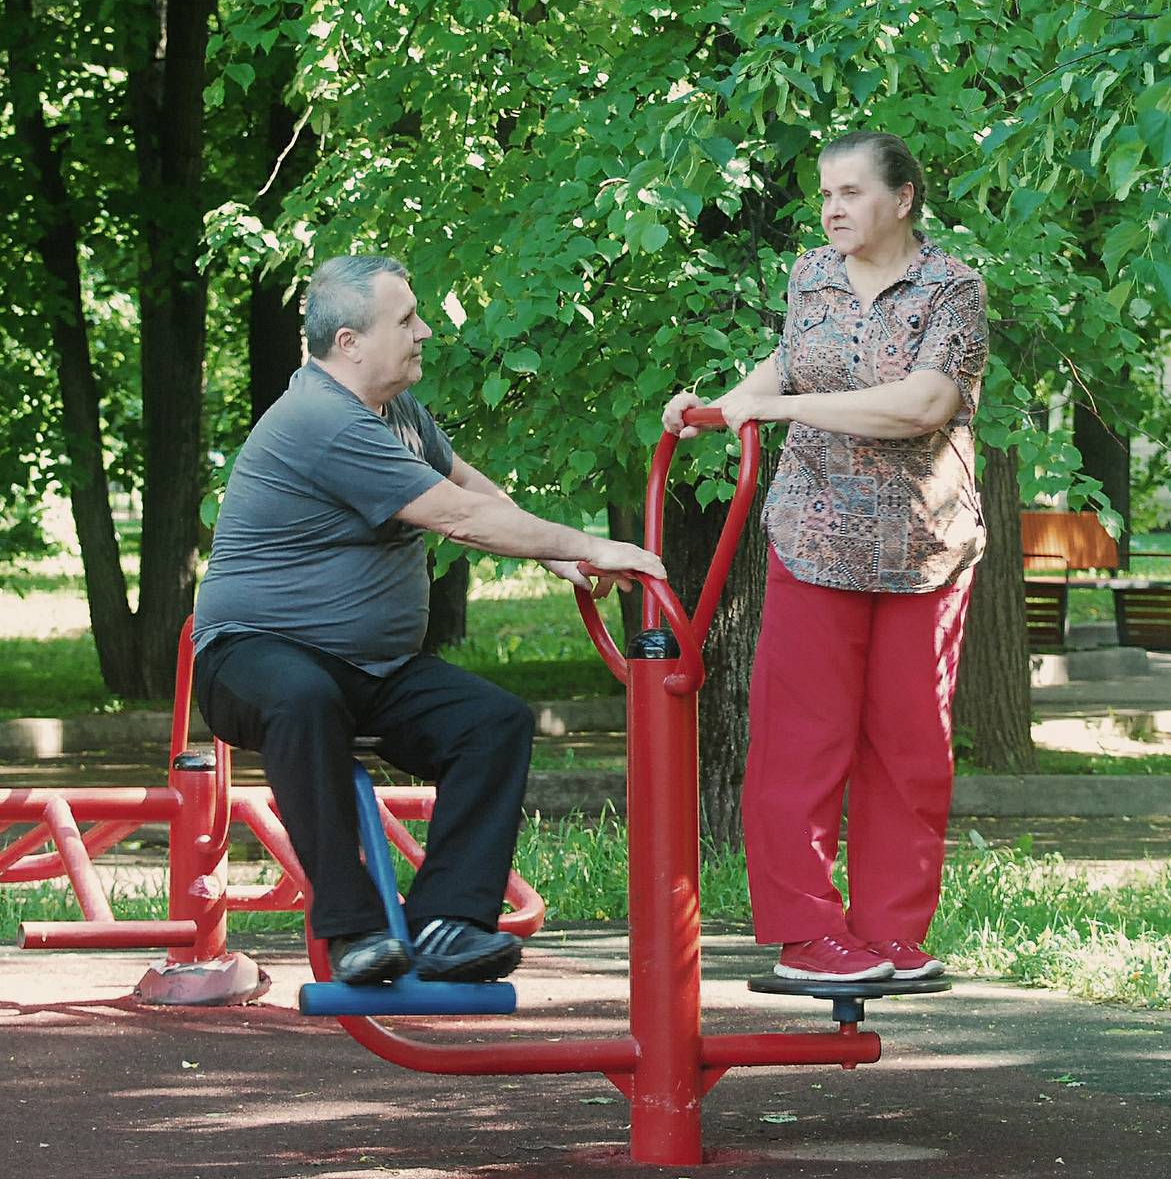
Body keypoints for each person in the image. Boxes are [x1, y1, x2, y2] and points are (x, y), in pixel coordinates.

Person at [194, 255, 664, 987]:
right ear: (349, 342)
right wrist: (591, 543)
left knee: (493, 723)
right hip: (252, 657)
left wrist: (556, 560)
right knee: (303, 697)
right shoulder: (322, 418)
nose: (425, 330)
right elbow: (456, 518)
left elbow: (466, 483)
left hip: (369, 668)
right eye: (406, 320)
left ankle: (447, 921)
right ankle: (354, 932)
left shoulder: (398, 412)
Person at [662, 131, 987, 984]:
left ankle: (890, 933)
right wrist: (734, 401)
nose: (833, 208)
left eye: (851, 192)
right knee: (801, 743)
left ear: (904, 198)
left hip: (925, 545)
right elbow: (791, 365)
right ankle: (808, 934)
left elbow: (923, 403)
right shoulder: (810, 276)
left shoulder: (952, 289)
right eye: (825, 194)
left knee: (910, 748)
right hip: (816, 537)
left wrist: (783, 413)